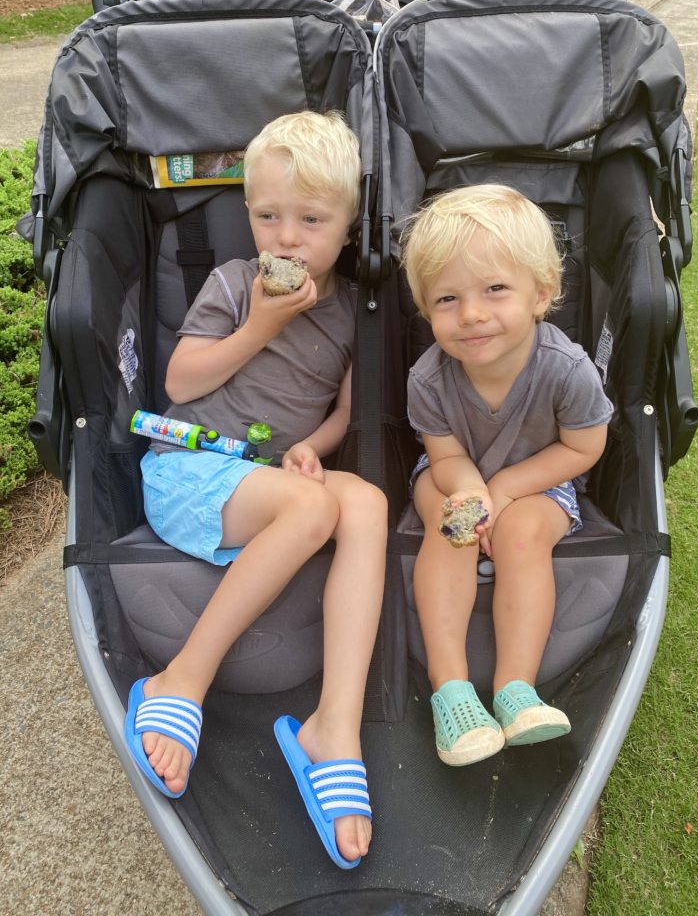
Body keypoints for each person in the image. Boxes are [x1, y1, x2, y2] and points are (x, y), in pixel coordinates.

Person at [124, 111, 387, 869]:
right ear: (249, 217)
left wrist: (311, 448)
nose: (288, 237)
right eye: (269, 216)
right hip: (187, 469)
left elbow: (337, 416)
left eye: (311, 220)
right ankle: (183, 678)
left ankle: (333, 727)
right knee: (312, 506)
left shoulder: (347, 314)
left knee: (364, 501)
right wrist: (261, 326)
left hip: (271, 474)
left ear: (345, 227)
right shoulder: (236, 284)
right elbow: (179, 380)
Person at [401, 184, 613, 767]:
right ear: (426, 308)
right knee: (453, 528)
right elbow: (443, 457)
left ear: (541, 294)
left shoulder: (566, 370)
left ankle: (515, 691)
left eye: (495, 289)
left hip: (542, 477)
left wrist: (507, 489)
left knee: (521, 534)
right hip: (452, 473)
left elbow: (583, 447)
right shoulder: (429, 378)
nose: (471, 314)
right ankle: (452, 696)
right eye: (447, 299)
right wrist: (471, 493)